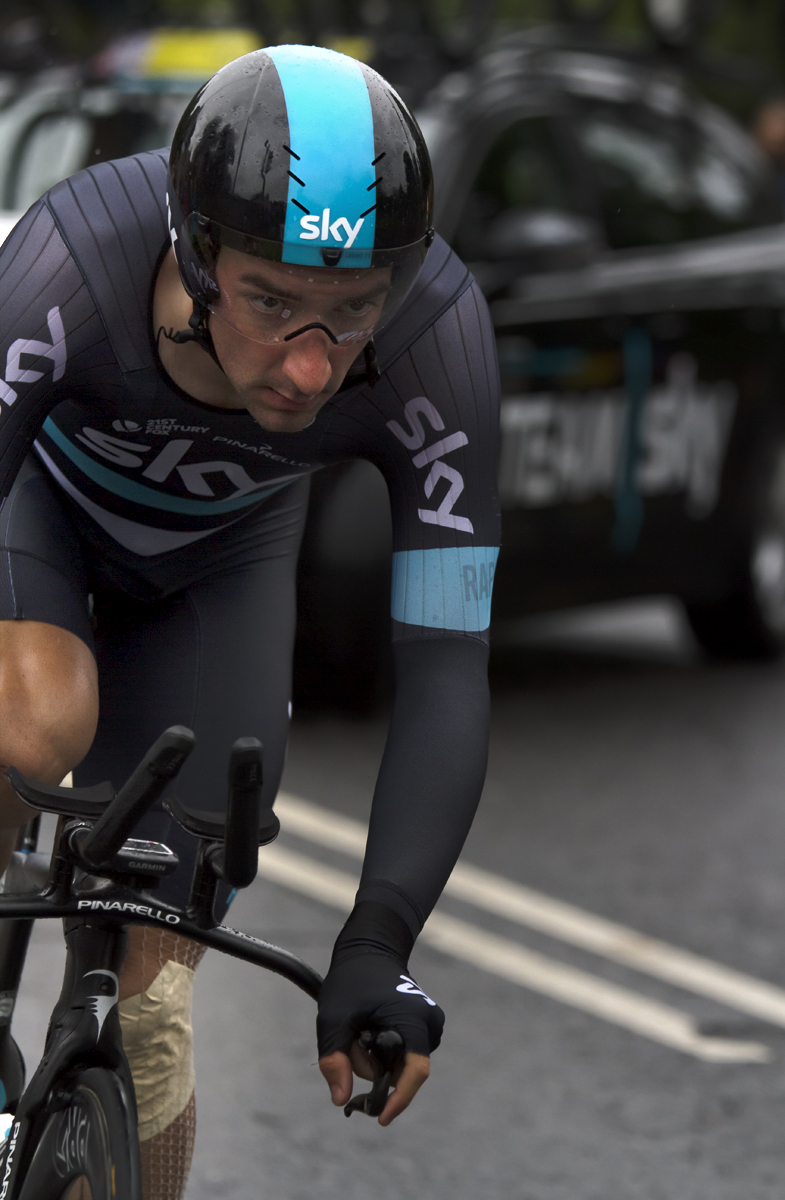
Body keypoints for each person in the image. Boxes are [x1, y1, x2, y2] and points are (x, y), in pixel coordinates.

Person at [0, 44, 500, 1200]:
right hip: (40, 519)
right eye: (274, 302)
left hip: (219, 570)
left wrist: (377, 940)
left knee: (156, 1014)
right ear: (193, 250)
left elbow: (444, 665)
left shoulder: (437, 337)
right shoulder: (72, 261)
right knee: (34, 724)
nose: (313, 365)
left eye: (351, 310)